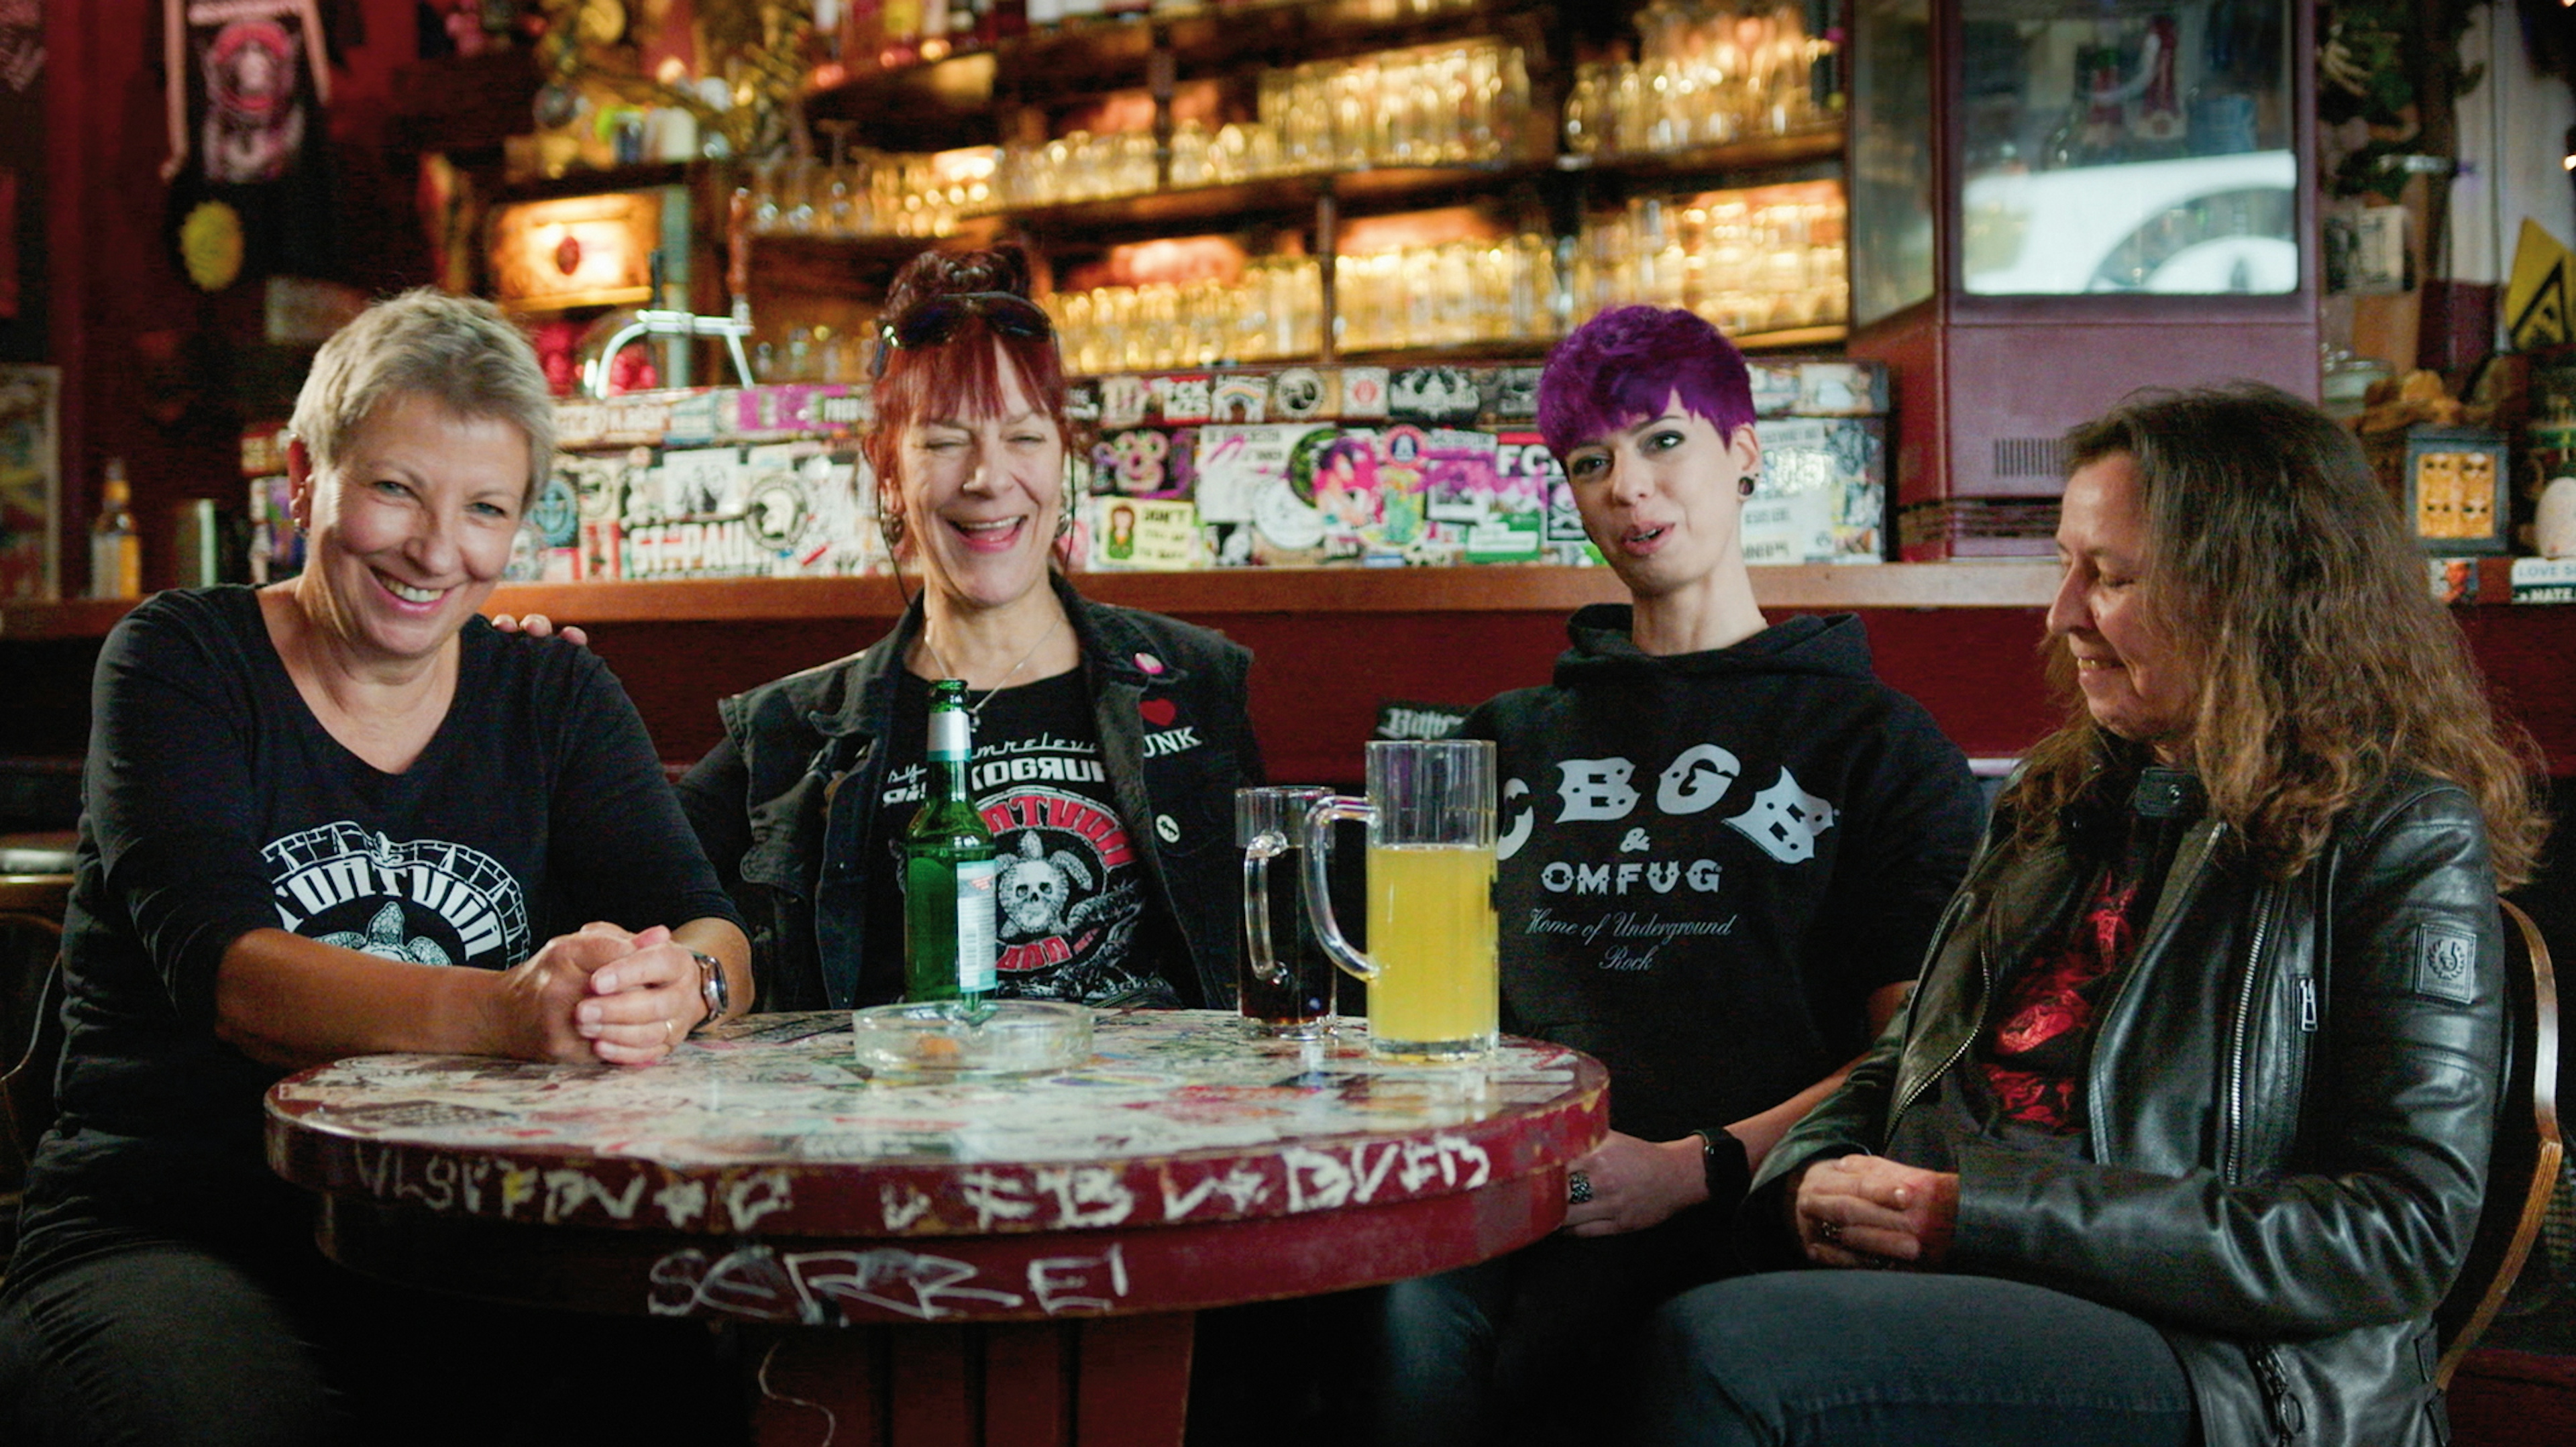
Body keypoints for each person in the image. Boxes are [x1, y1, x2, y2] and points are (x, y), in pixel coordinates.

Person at [1635, 382, 2549, 1447]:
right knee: (1622, 1301)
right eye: (2067, 567)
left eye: (2111, 578)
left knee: (1726, 1359)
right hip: (1979, 1278)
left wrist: (1976, 1215)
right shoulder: (2064, 794)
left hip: (2223, 1359)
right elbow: (1913, 1056)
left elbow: (2399, 1234)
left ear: (2254, 595)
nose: (2062, 614)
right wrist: (1805, 1184)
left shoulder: (2404, 832)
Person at [0, 289, 752, 1446]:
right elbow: (235, 978)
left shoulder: (550, 693)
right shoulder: (182, 660)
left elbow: (708, 929)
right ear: (308, 478)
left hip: (463, 1235)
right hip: (171, 1230)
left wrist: (678, 989)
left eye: (484, 508)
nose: (437, 550)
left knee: (688, 1386)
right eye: (397, 488)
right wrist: (512, 1012)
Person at [1362, 305, 1987, 1447]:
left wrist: (1692, 1166)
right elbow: (1413, 1017)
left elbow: (1918, 1052)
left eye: (1662, 441)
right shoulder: (1499, 736)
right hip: (1506, 1202)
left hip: (1749, 1200)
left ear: (1744, 451)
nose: (1629, 488)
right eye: (1590, 462)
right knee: (1373, 1308)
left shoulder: (1878, 744)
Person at [679, 245, 1263, 1012]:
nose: (988, 478)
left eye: (1024, 437)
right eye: (945, 441)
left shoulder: (1196, 682)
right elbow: (639, 899)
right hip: (900, 1089)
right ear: (888, 470)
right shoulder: (792, 732)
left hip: (1147, 1090)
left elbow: (1287, 942)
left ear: (1064, 455)